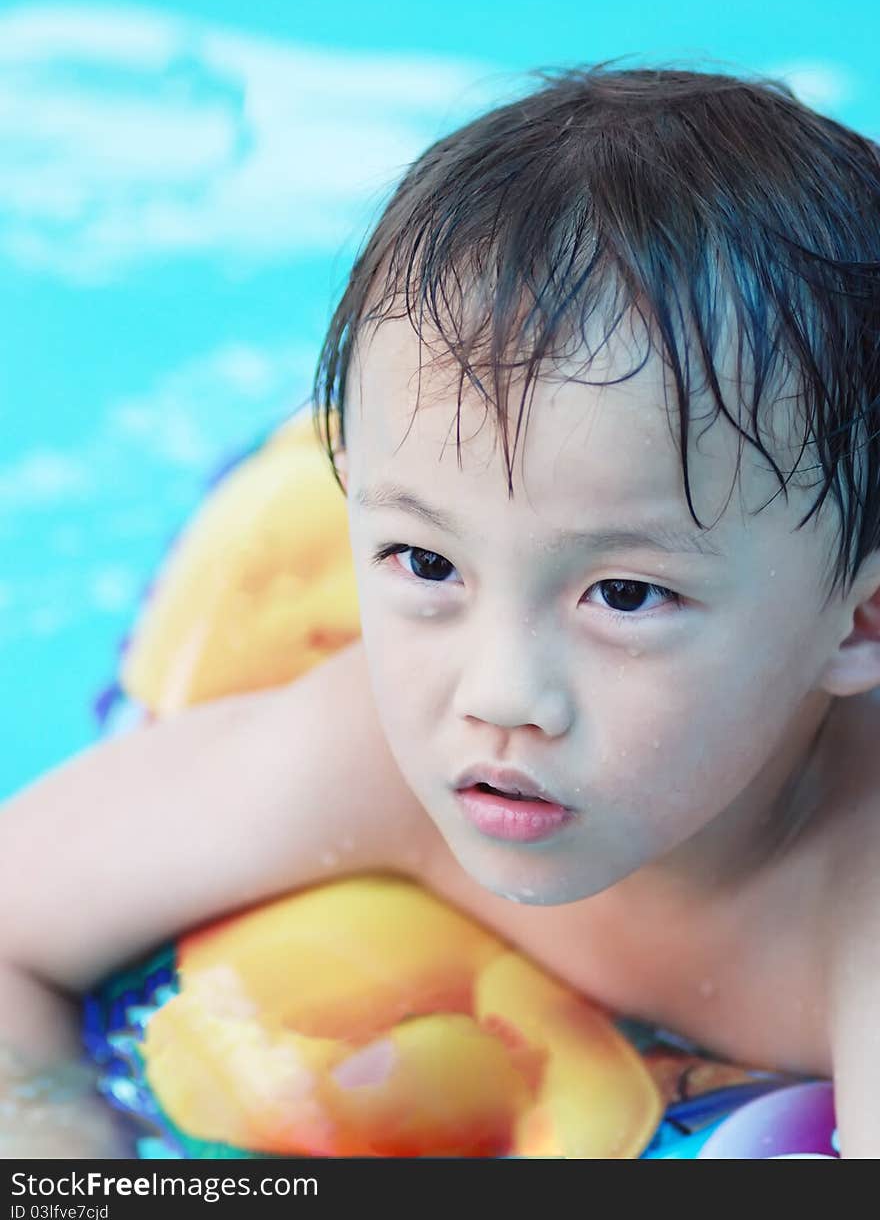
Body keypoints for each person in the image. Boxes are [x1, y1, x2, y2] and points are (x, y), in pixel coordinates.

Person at [2, 61, 879, 1159]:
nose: (501, 690)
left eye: (622, 593)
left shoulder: (857, 912)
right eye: (424, 561)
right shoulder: (365, 759)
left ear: (858, 621)